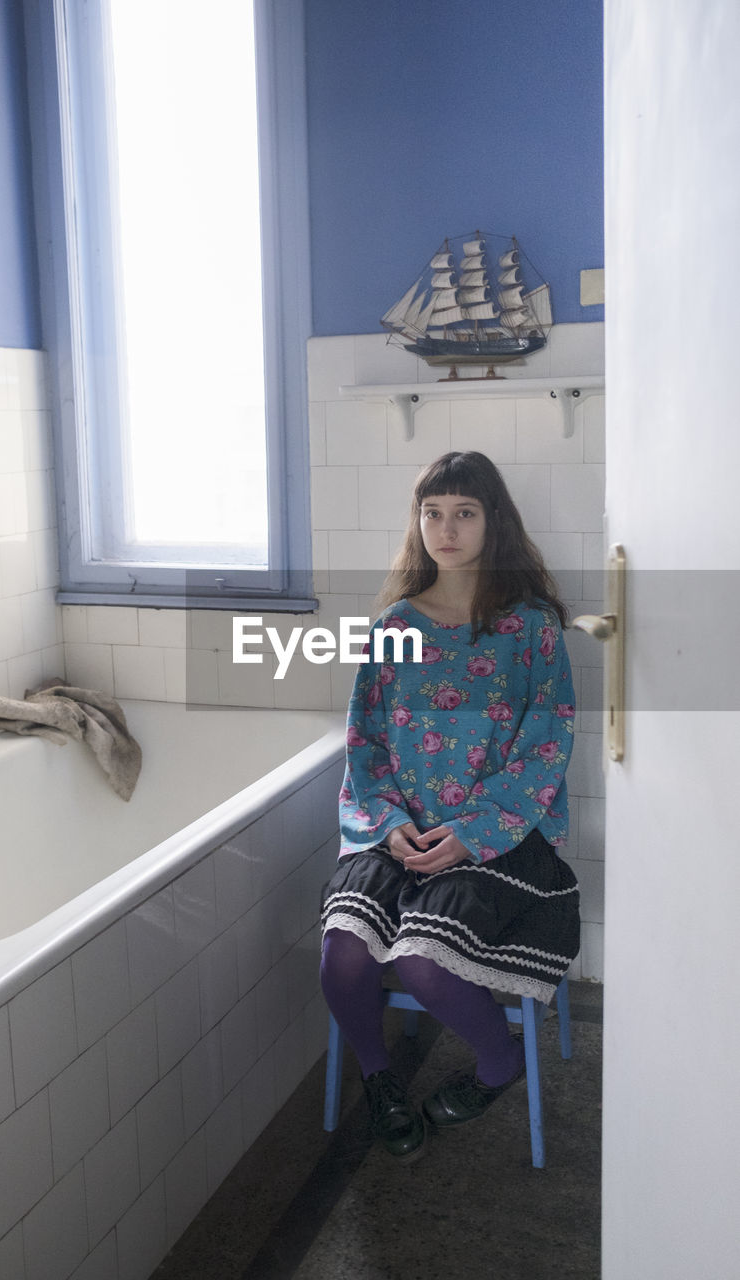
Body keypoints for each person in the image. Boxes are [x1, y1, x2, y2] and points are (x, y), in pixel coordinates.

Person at [320, 450, 580, 1163]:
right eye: (431, 513)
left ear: (492, 522)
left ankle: (501, 1064)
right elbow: (364, 743)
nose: (445, 527)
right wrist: (389, 822)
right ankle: (380, 1078)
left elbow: (544, 747)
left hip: (496, 836)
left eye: (463, 512)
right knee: (342, 956)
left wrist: (469, 834)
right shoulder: (395, 624)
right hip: (394, 831)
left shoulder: (528, 630)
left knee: (426, 964)